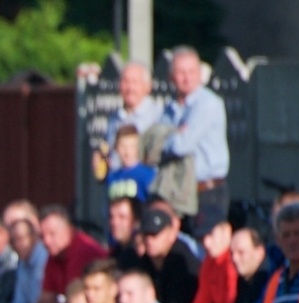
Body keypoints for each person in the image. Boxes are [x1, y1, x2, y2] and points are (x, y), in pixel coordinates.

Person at [160, 47, 230, 237]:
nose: (187, 78)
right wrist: (174, 135)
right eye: (181, 73)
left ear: (200, 74)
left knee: (204, 246)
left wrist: (170, 136)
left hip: (208, 192)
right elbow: (154, 145)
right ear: (171, 76)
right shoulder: (169, 110)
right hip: (178, 193)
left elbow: (181, 146)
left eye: (192, 72)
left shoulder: (208, 103)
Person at [97, 61, 163, 176]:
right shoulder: (114, 119)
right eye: (125, 82)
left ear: (148, 86)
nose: (130, 88)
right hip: (118, 187)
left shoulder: (159, 116)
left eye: (135, 82)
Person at [37, 205, 107, 303]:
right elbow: (45, 299)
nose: (46, 241)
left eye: (52, 234)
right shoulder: (54, 255)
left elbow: (75, 301)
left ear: (68, 229)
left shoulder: (82, 250)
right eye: (42, 236)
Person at [133, 206, 201, 303]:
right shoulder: (143, 262)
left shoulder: (182, 260)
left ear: (171, 233)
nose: (149, 240)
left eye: (155, 235)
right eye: (146, 234)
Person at [183, 219, 237, 303]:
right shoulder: (209, 262)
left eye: (211, 235)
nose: (206, 243)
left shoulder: (234, 261)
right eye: (202, 237)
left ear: (226, 231)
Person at [104, 125, 156, 202]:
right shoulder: (112, 177)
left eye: (132, 147)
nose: (127, 152)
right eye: (123, 146)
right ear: (116, 148)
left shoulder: (148, 175)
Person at [8, 218, 47, 303]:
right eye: (13, 241)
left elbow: (44, 302)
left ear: (34, 236)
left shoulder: (45, 258)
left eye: (20, 239)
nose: (17, 245)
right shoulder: (22, 263)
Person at [230, 226, 273, 303]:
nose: (234, 258)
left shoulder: (271, 282)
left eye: (241, 252)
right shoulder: (241, 281)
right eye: (231, 253)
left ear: (259, 253)